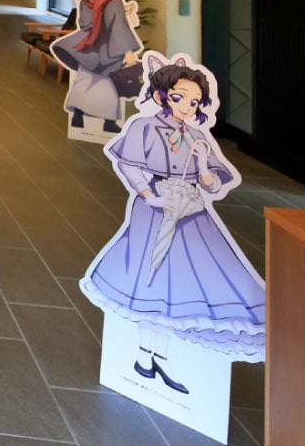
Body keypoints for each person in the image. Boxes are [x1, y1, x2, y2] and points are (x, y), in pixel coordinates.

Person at [79, 57, 265, 393]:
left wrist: (202, 165)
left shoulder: (197, 136)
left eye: (195, 101)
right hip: (153, 208)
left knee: (182, 284)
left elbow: (213, 184)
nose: (187, 106)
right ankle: (146, 357)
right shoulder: (144, 127)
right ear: (162, 95)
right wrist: (149, 194)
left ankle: (159, 359)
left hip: (192, 213)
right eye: (180, 97)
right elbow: (129, 165)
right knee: (150, 280)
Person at [50, 0, 143, 136]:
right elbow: (118, 27)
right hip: (109, 48)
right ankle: (109, 123)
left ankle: (78, 117)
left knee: (84, 80)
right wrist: (129, 53)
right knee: (110, 85)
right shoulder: (114, 2)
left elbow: (85, 22)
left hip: (88, 46)